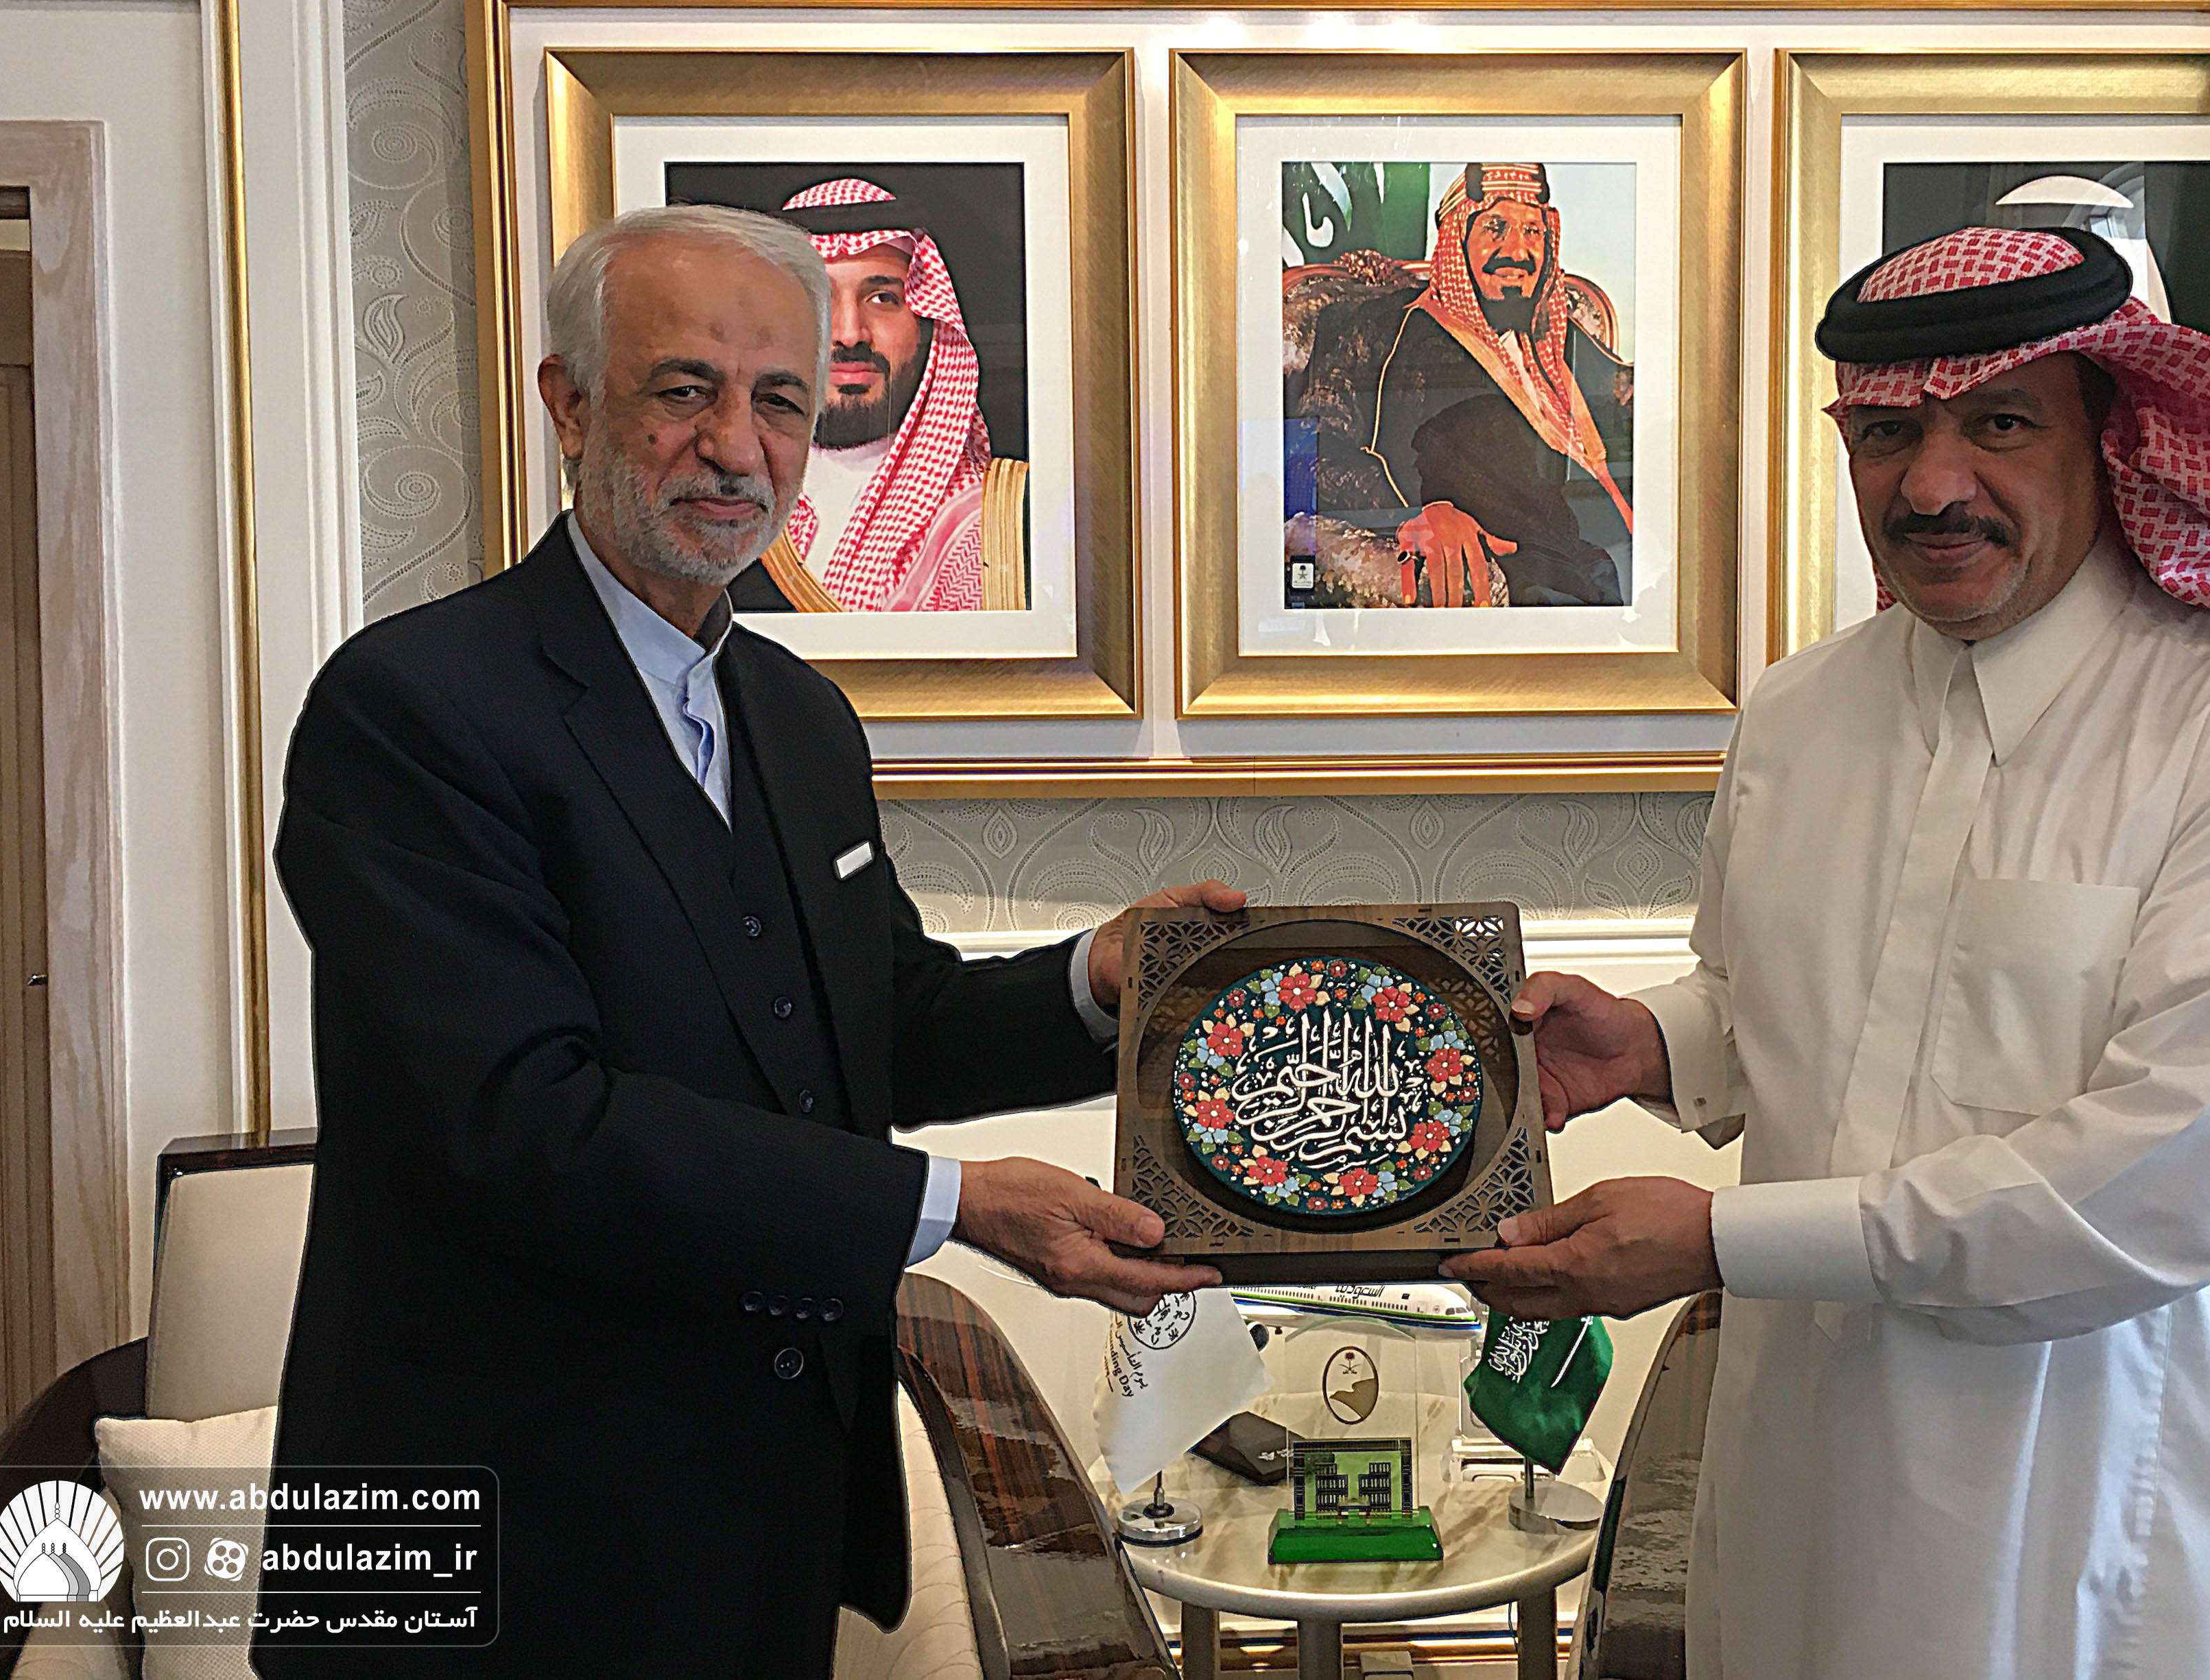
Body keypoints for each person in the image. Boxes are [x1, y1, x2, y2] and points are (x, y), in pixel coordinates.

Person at [1447, 226, 2210, 1679]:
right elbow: (1788, 997)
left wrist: (1715, 1239)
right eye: (1887, 433)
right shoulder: (1797, 714)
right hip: (1808, 1466)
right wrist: (1654, 1039)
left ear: (2107, 435)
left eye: (1998, 425)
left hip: (2106, 1491)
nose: (1930, 485)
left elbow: (2162, 1181)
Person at [258, 203, 1231, 1677]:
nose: (736, 445)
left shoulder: (797, 714)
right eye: (682, 389)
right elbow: (521, 1124)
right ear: (568, 403)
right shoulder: (413, 708)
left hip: (759, 1511)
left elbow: (870, 1023)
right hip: (498, 1539)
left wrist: (1101, 982)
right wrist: (955, 1205)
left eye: (778, 398)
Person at [1294, 162, 1632, 607]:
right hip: (1532, 573)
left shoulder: (1558, 332)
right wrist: (1419, 515)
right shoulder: (1387, 326)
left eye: (1533, 231)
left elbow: (1627, 405)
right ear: (1458, 240)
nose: (1518, 250)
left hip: (1621, 551)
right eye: (1496, 227)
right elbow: (1312, 452)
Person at [730, 176, 1026, 613]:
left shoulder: (991, 520)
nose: (850, 334)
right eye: (817, 300)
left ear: (927, 322)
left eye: (883, 298)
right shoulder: (718, 502)